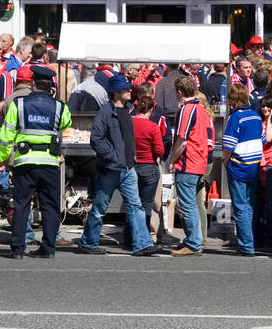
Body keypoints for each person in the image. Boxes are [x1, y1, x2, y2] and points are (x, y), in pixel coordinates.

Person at [78, 74, 160, 257]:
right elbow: (96, 139)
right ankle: (88, 243)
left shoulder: (130, 110)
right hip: (110, 169)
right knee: (100, 207)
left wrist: (132, 155)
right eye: (125, 89)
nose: (130, 90)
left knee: (136, 206)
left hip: (128, 167)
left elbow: (126, 138)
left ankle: (143, 244)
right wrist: (113, 157)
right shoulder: (105, 112)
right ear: (116, 92)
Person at [0, 66, 71, 259]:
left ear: (32, 84)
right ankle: (48, 248)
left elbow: (6, 136)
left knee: (22, 205)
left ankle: (17, 249)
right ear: (51, 87)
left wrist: (2, 159)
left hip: (25, 162)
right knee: (50, 206)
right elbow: (66, 125)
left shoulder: (18, 105)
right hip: (49, 163)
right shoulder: (60, 106)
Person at [168, 75, 213, 257]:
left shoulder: (187, 109)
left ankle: (194, 242)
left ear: (179, 92)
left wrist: (171, 159)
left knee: (188, 205)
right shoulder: (201, 108)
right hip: (199, 160)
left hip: (189, 162)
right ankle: (193, 240)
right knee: (193, 203)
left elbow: (182, 140)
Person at [222, 83, 264, 257]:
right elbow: (262, 140)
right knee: (248, 205)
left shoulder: (235, 117)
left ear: (232, 100)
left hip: (238, 165)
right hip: (253, 165)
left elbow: (228, 145)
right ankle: (250, 240)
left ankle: (247, 245)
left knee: (240, 207)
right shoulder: (255, 116)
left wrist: (226, 163)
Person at [131, 86, 168, 247]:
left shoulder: (129, 120)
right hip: (150, 164)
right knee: (148, 204)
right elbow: (160, 149)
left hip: (132, 165)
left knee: (133, 203)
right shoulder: (154, 125)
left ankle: (130, 237)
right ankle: (145, 238)